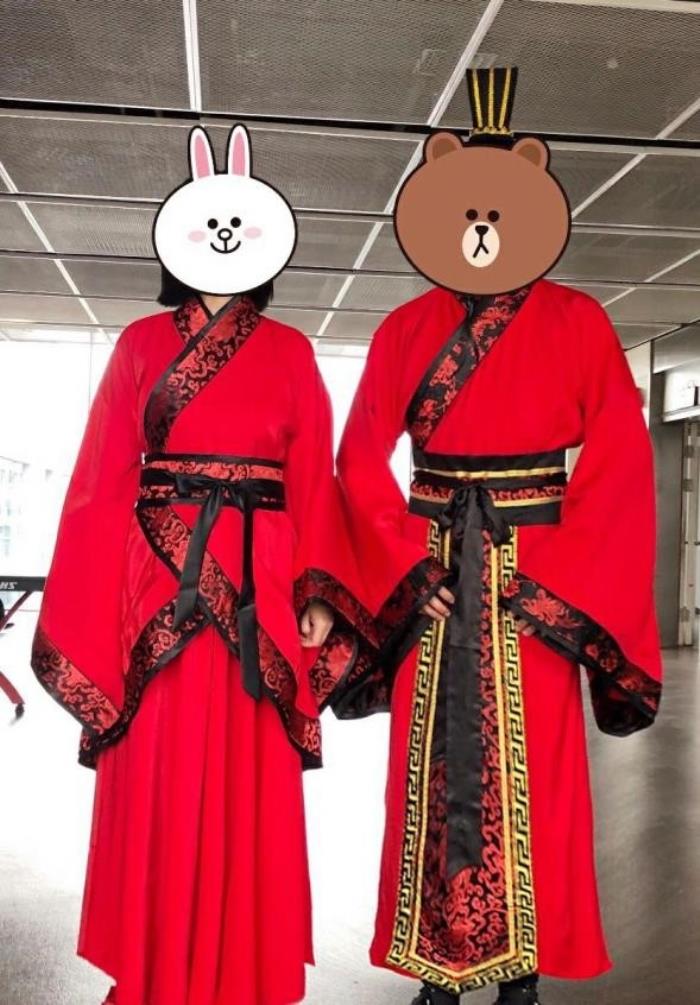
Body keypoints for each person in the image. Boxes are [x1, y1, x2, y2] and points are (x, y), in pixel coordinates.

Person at [333, 68, 662, 1005]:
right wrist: (408, 562)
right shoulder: (404, 330)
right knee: (427, 771)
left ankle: (522, 967)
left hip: (532, 583)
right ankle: (437, 965)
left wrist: (549, 574)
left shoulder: (579, 322)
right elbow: (357, 459)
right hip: (437, 573)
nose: (482, 227)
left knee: (540, 778)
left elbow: (620, 460)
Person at [31, 125, 375, 1005]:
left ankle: (242, 974)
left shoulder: (293, 351)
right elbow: (101, 479)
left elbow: (316, 480)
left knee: (249, 779)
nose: (223, 237)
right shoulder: (139, 344)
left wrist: (318, 591)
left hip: (261, 588)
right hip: (157, 587)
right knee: (157, 773)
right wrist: (99, 601)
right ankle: (156, 974)